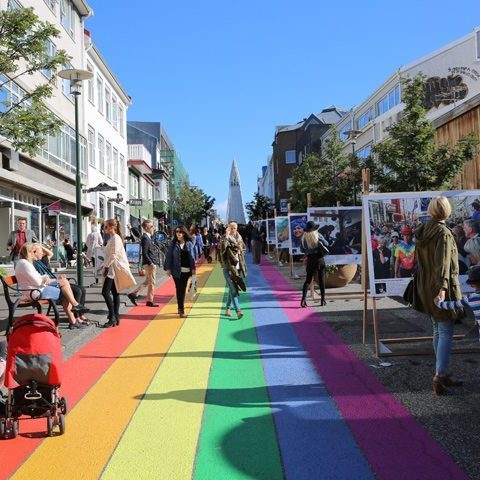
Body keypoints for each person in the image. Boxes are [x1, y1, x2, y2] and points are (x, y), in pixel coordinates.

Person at [412, 196, 462, 395]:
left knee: (437, 328)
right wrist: (442, 289)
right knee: (445, 330)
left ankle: (441, 372)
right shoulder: (443, 233)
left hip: (425, 283)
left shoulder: (423, 230)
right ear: (447, 211)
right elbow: (442, 264)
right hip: (441, 285)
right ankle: (439, 375)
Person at [15, 243, 88, 329]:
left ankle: (74, 315)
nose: (42, 253)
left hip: (35, 290)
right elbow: (38, 282)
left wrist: (46, 278)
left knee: (64, 285)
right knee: (65, 290)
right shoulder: (25, 264)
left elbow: (38, 277)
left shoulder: (23, 262)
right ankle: (75, 310)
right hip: (36, 292)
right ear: (32, 252)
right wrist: (47, 280)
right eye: (39, 252)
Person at [102, 219, 136, 328]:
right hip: (112, 269)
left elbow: (114, 255)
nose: (104, 228)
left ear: (112, 227)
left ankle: (112, 316)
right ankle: (115, 317)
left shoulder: (115, 238)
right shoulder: (114, 238)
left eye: (106, 226)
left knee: (105, 292)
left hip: (112, 269)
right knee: (115, 293)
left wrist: (106, 267)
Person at [164, 225, 196, 317]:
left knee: (183, 288)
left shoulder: (189, 243)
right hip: (176, 271)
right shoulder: (173, 244)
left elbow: (192, 257)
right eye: (177, 232)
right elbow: (169, 256)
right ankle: (180, 309)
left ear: (184, 233)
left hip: (186, 271)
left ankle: (180, 307)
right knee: (179, 289)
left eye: (180, 232)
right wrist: (168, 268)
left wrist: (193, 269)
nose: (178, 234)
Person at [128, 219, 160, 307]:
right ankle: (149, 300)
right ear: (146, 227)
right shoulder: (145, 238)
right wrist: (151, 263)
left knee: (148, 281)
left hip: (151, 262)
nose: (153, 228)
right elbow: (145, 252)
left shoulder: (148, 237)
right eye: (151, 226)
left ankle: (134, 294)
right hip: (150, 263)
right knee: (152, 282)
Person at [220, 221, 247, 318]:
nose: (233, 230)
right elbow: (222, 250)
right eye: (231, 228)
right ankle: (238, 311)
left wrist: (241, 249)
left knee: (232, 289)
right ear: (227, 228)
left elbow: (243, 249)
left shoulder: (239, 238)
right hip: (228, 268)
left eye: (234, 228)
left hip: (238, 267)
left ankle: (227, 309)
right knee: (233, 289)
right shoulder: (224, 238)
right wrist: (226, 236)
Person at [300, 221, 329, 308]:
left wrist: (309, 251)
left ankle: (303, 300)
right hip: (319, 259)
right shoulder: (318, 235)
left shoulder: (304, 237)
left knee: (308, 280)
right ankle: (323, 299)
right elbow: (327, 244)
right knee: (321, 280)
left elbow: (302, 250)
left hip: (310, 260)